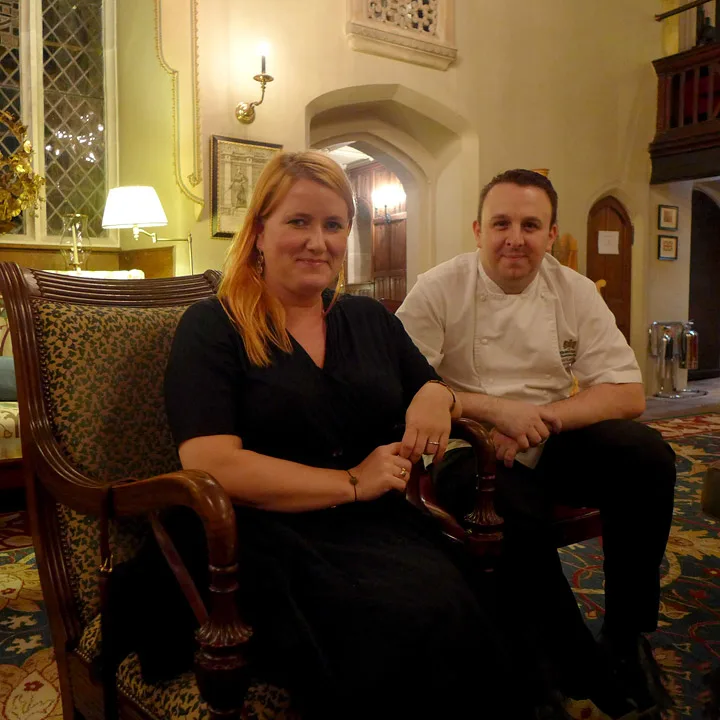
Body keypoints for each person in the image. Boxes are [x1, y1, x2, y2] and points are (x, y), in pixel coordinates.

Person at [163, 152, 539, 719]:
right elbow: (212, 463)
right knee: (399, 621)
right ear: (259, 231)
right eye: (299, 221)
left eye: (333, 225)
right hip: (254, 535)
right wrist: (353, 482)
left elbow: (429, 382)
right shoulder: (212, 326)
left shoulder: (368, 318)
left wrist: (434, 396)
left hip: (369, 525)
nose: (318, 242)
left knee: (478, 598)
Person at [396, 169, 677, 718]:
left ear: (551, 235)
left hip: (549, 436)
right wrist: (492, 410)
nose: (514, 238)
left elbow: (627, 393)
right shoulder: (439, 288)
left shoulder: (573, 290)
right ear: (478, 230)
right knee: (510, 509)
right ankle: (573, 666)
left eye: (530, 226)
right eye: (501, 223)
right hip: (466, 444)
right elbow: (403, 384)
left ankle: (625, 636)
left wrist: (541, 418)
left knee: (647, 457)